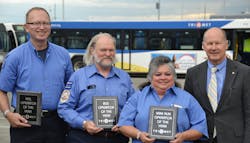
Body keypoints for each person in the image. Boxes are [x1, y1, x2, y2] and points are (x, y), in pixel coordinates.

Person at [0, 7, 73, 143]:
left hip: (57, 123)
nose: (42, 27)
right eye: (36, 23)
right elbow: (2, 90)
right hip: (24, 123)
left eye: (46, 23)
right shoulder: (14, 57)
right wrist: (8, 114)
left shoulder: (63, 55)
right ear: (27, 27)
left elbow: (71, 89)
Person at [57, 33, 135, 143]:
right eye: (103, 50)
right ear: (92, 50)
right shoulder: (78, 77)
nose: (108, 54)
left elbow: (133, 107)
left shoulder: (124, 78)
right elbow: (64, 108)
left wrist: (124, 121)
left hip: (117, 138)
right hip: (83, 138)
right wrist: (83, 123)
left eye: (111, 50)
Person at [118, 56, 208, 143]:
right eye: (158, 74)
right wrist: (139, 134)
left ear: (174, 76)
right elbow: (123, 124)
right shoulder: (137, 98)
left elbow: (200, 126)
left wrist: (184, 136)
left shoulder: (187, 98)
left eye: (168, 74)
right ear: (150, 77)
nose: (163, 78)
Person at [184, 27, 250, 143]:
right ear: (203, 46)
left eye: (218, 43)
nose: (213, 48)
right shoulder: (192, 73)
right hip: (202, 138)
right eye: (210, 44)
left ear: (226, 44)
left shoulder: (244, 72)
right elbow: (188, 110)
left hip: (234, 139)